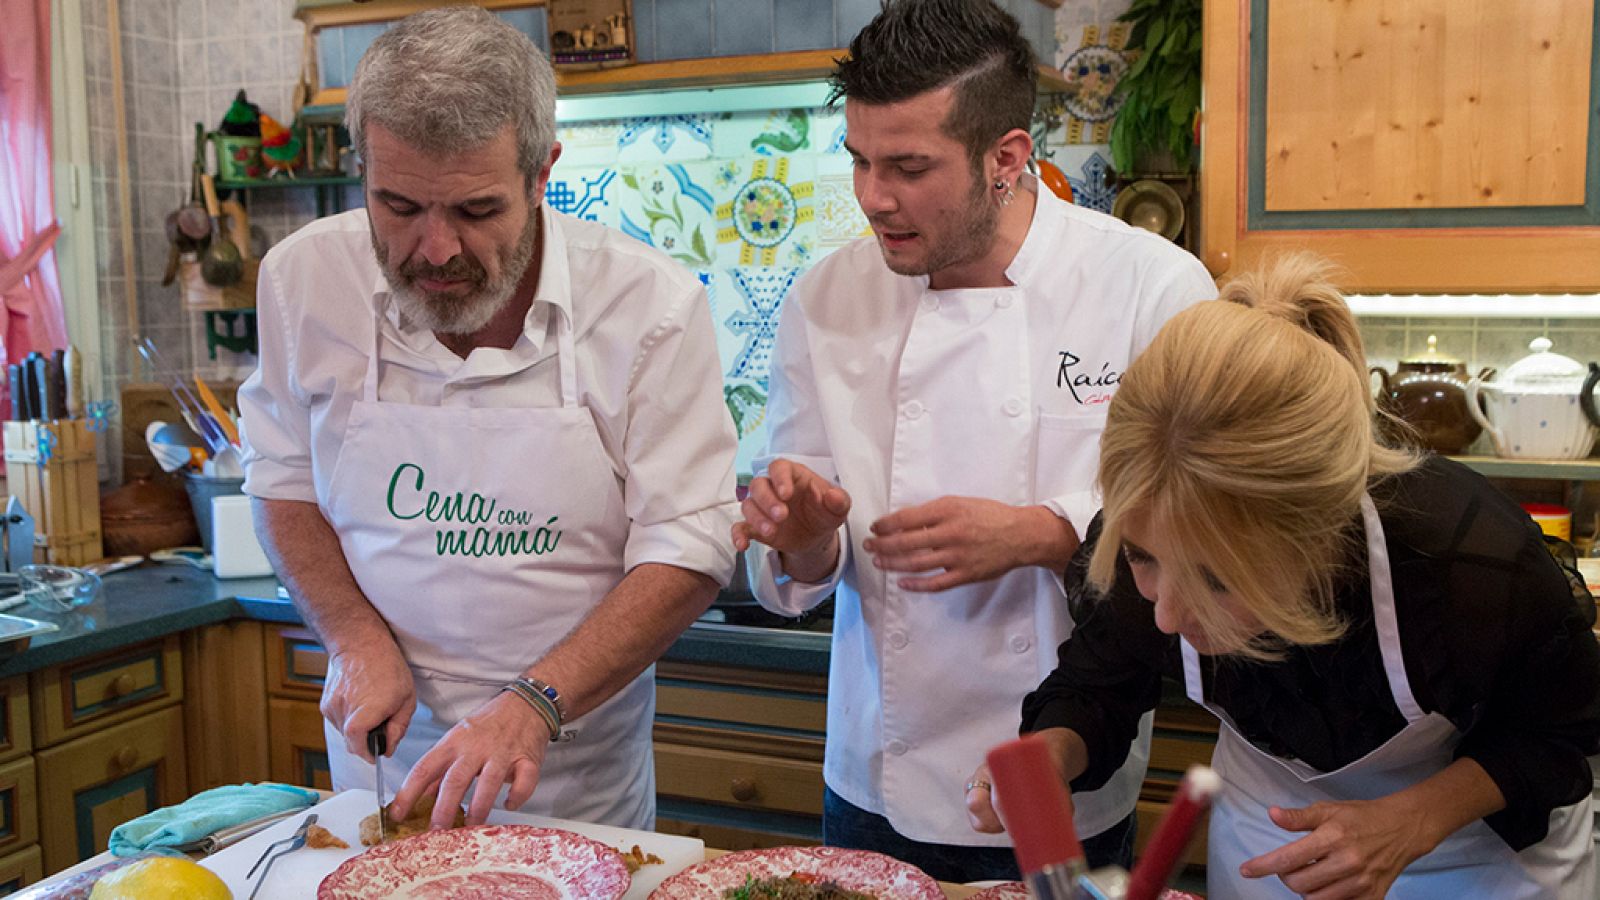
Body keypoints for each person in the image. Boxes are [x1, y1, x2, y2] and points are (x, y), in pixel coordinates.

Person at [730, 0, 1215, 882]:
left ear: (1007, 158)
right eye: (861, 161)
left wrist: (1046, 531)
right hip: (876, 773)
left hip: (1064, 767)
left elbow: (1205, 522)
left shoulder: (1152, 287)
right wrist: (802, 536)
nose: (874, 197)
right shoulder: (825, 299)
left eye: (909, 167)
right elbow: (806, 568)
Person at [237, 7, 737, 831]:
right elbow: (283, 482)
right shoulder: (302, 281)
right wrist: (353, 638)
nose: (434, 250)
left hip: (573, 787)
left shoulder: (649, 306)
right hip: (383, 772)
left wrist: (533, 703)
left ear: (543, 173)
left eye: (474, 210)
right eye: (397, 206)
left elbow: (690, 544)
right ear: (362, 169)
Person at [969, 256, 1600, 897]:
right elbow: (1098, 686)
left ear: (1321, 536)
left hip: (1476, 860)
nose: (1166, 614)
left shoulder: (1469, 565)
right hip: (1267, 847)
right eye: (1142, 558)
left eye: (1218, 580)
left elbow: (1561, 729)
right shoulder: (1150, 527)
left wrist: (1413, 820)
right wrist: (1053, 755)